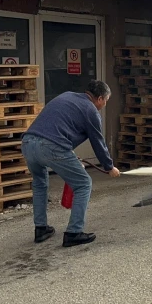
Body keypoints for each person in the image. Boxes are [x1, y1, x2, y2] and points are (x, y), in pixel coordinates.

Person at [21, 80, 121, 247]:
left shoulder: (66, 96)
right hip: (51, 147)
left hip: (28, 143)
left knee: (39, 183)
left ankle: (41, 229)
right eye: (106, 101)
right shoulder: (91, 110)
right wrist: (109, 167)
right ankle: (74, 232)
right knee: (83, 183)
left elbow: (57, 126)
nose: (104, 105)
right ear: (100, 98)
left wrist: (69, 155)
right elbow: (98, 142)